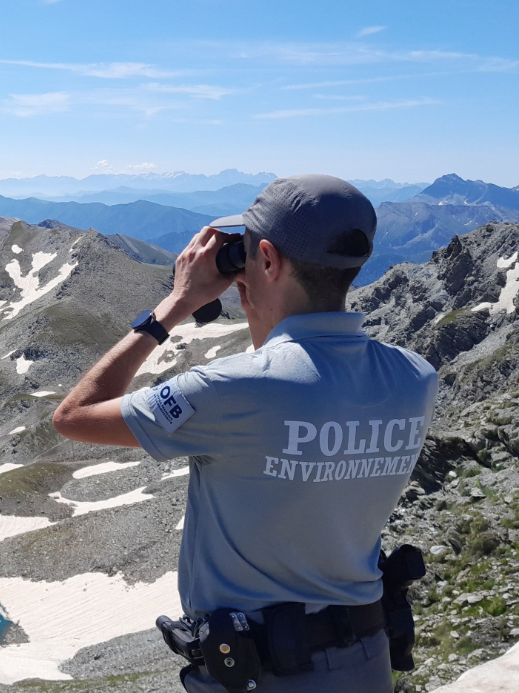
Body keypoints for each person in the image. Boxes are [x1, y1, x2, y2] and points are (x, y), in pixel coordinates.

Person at [52, 175, 438, 692]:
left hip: (265, 674)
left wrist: (176, 305)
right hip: (367, 663)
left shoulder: (232, 388)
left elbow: (75, 415)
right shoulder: (414, 377)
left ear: (270, 261)